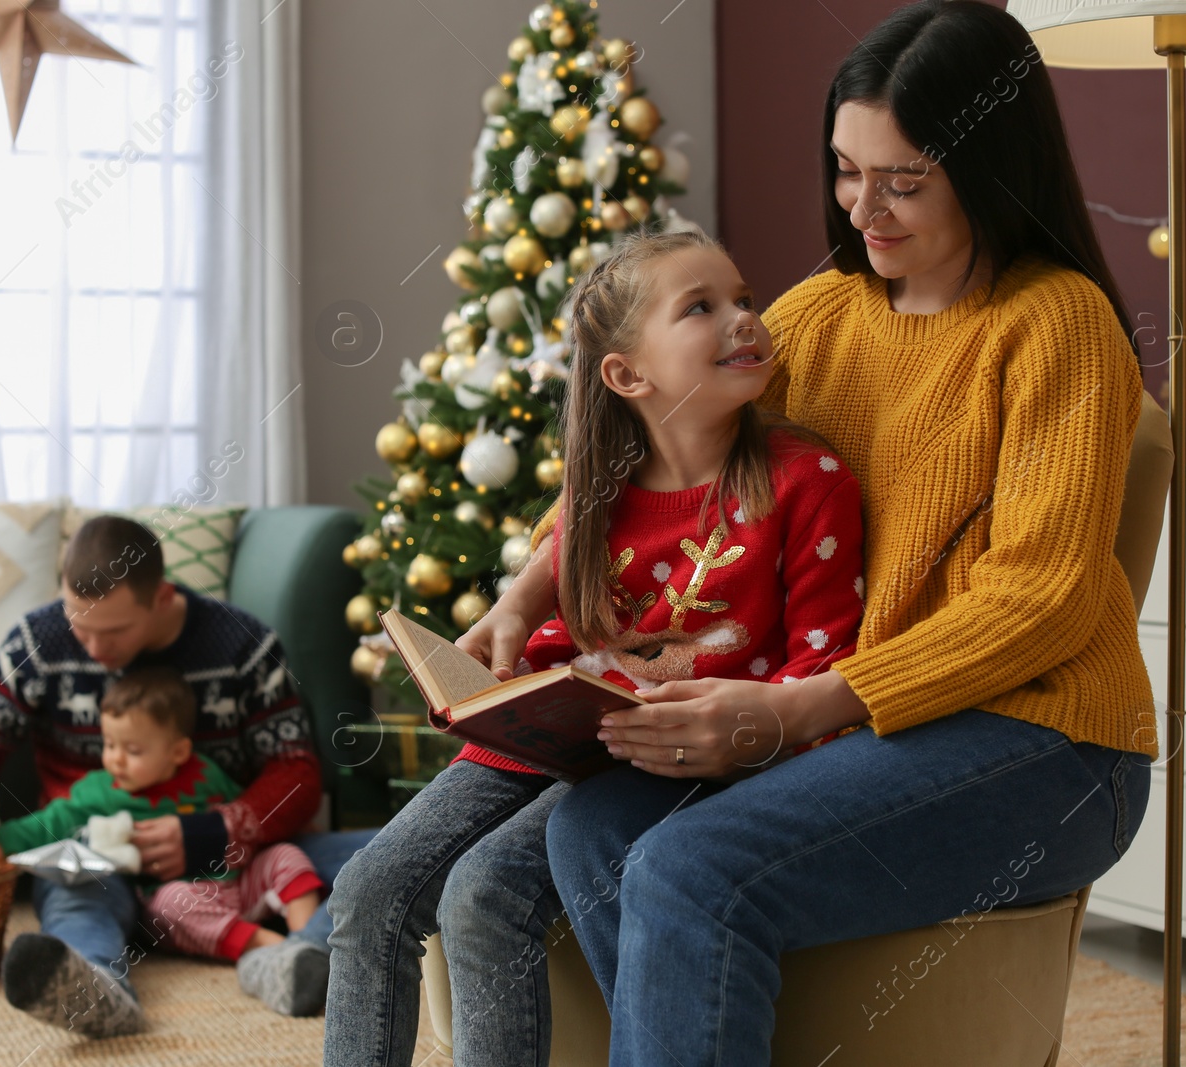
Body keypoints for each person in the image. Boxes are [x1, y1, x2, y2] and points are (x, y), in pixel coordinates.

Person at [462, 3, 1160, 1063]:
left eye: (903, 179)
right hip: (861, 722)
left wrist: (792, 711)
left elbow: (1042, 600)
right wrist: (524, 591)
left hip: (1048, 744)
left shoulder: (1057, 323)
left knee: (689, 865)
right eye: (845, 169)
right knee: (592, 830)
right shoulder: (825, 312)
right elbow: (665, 428)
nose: (863, 207)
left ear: (988, 163)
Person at [323, 228, 866, 1067]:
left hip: (668, 760)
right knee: (366, 889)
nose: (745, 320)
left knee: (482, 894)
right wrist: (509, 624)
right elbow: (561, 571)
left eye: (745, 298)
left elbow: (823, 664)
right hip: (548, 726)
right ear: (627, 374)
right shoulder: (601, 481)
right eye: (702, 308)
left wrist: (751, 732)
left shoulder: (807, 479)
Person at [0, 515, 364, 1036]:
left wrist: (215, 832)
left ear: (162, 597)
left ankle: (303, 958)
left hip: (232, 862)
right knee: (73, 897)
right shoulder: (38, 640)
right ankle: (97, 987)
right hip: (97, 860)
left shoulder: (244, 646)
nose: (93, 648)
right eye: (79, 625)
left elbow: (296, 773)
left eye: (113, 632)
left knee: (386, 852)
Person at [0, 666, 325, 1019]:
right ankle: (271, 949)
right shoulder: (98, 792)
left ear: (178, 752)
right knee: (170, 902)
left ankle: (306, 943)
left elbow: (249, 816)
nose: (115, 759)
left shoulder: (205, 775)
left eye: (132, 750)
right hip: (185, 902)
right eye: (109, 745)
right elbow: (50, 822)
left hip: (239, 881)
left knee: (287, 854)